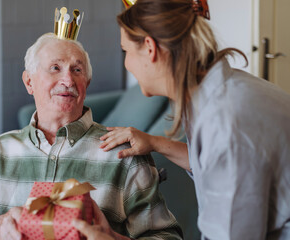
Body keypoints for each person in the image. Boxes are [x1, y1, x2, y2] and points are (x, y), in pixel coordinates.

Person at [0, 33, 182, 240]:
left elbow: (167, 237)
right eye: (55, 68)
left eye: (77, 70)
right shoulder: (0, 151)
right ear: (29, 82)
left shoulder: (123, 153)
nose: (67, 79)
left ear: (87, 83)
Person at [74, 0, 290, 239]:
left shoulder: (226, 121)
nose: (127, 63)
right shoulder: (214, 90)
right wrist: (154, 142)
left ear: (149, 48)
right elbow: (213, 164)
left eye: (126, 51)